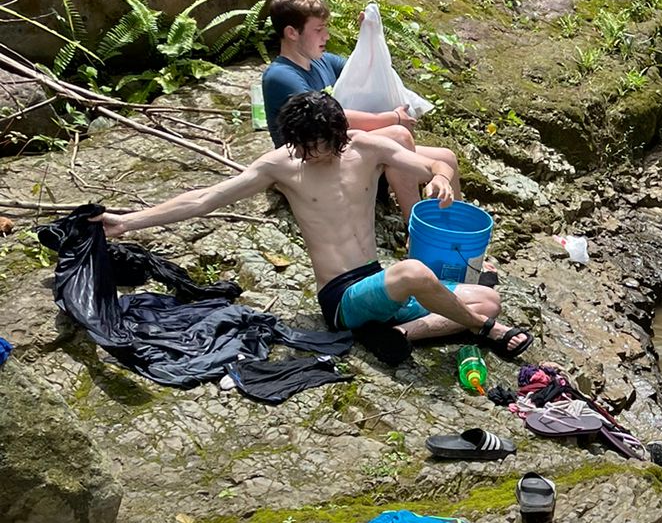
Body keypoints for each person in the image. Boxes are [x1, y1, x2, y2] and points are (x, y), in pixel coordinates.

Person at [103, 91, 529, 354]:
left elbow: (433, 163)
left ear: (339, 135)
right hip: (343, 298)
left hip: (381, 287)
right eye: (302, 145)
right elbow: (204, 198)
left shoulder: (366, 148)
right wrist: (126, 222)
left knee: (487, 297)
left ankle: (400, 335)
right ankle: (486, 331)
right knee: (416, 273)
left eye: (319, 145)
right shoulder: (281, 165)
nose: (310, 154)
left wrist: (441, 179)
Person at [261, 0, 462, 222]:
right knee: (397, 136)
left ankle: (455, 236)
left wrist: (368, 36)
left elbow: (367, 69)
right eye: (318, 29)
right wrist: (393, 118)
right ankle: (416, 230)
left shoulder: (324, 62)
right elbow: (330, 119)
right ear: (292, 33)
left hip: (340, 150)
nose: (327, 36)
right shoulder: (281, 76)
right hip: (312, 164)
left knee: (446, 159)